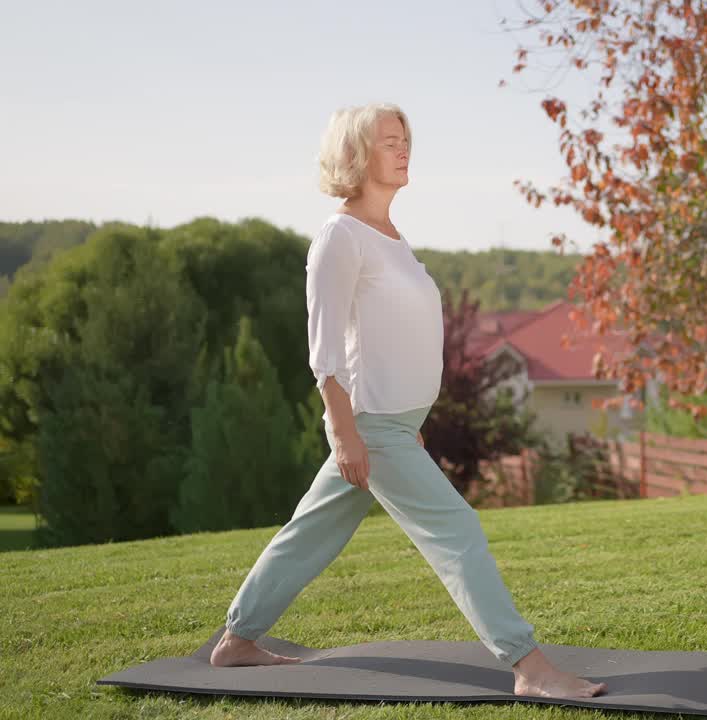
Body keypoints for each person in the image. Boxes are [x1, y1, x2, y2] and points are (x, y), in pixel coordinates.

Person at [208, 101, 607, 700]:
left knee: (311, 531)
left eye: (404, 140)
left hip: (394, 422)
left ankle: (238, 639)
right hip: (370, 425)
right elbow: (327, 352)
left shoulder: (389, 236)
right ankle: (530, 667)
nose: (403, 149)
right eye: (388, 141)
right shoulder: (340, 237)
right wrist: (346, 431)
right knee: (457, 531)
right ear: (355, 155)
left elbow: (389, 336)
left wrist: (406, 416)